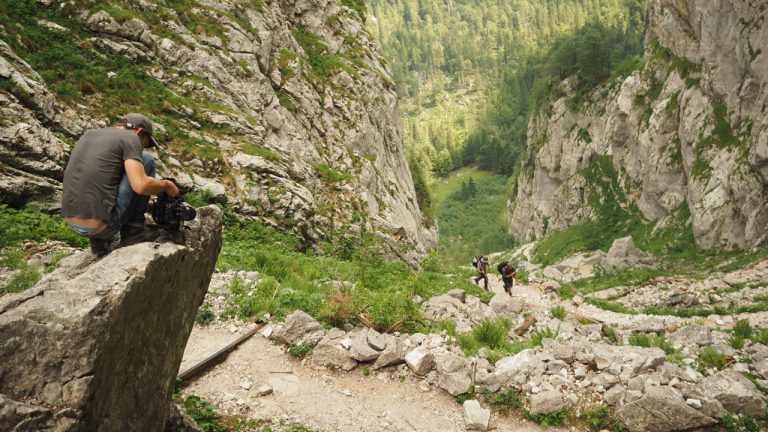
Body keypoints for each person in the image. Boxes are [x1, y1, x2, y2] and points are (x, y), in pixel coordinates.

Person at [61, 113, 180, 257]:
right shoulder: (132, 137)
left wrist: (145, 204)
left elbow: (100, 183)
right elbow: (141, 186)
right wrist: (167, 185)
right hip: (102, 225)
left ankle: (98, 243)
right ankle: (134, 233)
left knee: (123, 168)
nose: (142, 148)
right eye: (145, 143)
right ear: (140, 132)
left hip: (73, 221)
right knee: (146, 160)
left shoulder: (90, 134)